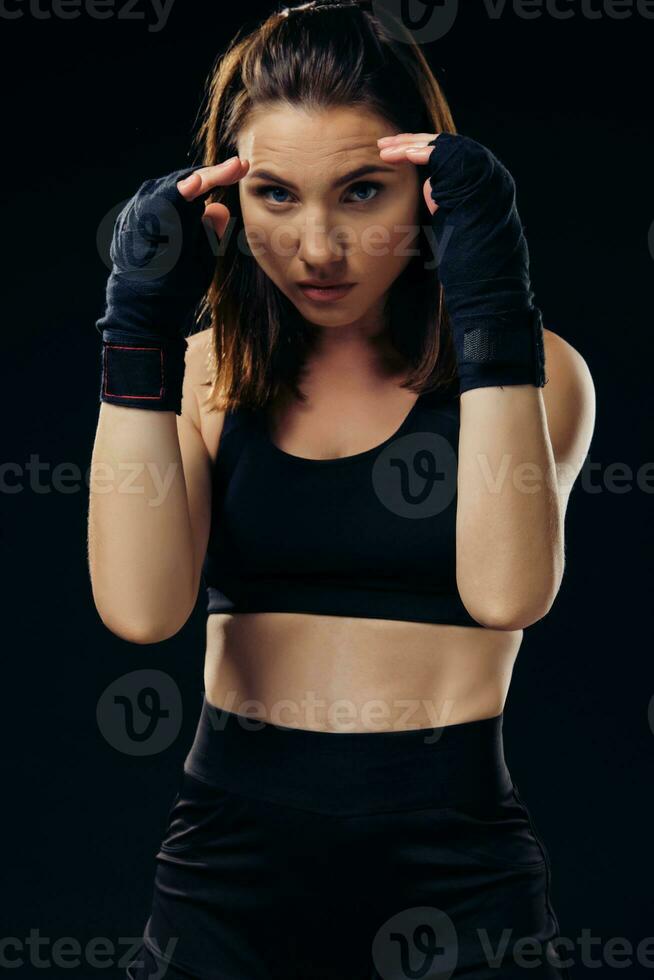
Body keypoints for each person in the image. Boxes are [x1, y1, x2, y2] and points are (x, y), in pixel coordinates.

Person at [88, 1, 596, 977]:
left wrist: (493, 305)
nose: (317, 248)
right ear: (229, 201)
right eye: (277, 195)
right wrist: (134, 333)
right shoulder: (203, 372)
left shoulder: (538, 374)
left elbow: (508, 593)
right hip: (229, 860)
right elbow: (141, 608)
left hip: (456, 863)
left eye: (361, 192)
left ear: (428, 188)